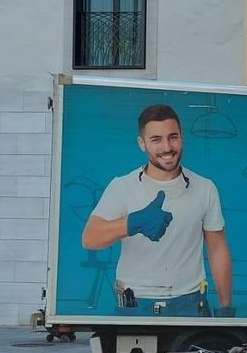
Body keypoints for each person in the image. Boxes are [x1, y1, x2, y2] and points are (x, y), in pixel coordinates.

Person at [83, 104, 235, 317]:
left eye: (173, 137)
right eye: (156, 140)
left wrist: (225, 307)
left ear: (182, 138)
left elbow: (218, 249)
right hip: (134, 303)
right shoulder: (122, 186)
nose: (167, 147)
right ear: (142, 144)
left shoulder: (205, 188)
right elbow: (90, 238)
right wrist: (133, 222)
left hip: (190, 303)